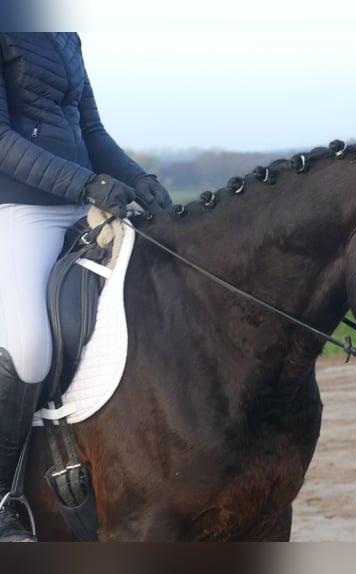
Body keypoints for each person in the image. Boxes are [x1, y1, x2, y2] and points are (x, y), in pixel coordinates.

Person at [0, 32, 172, 542]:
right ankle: (3, 500)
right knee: (29, 348)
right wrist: (85, 183)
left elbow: (90, 129)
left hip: (80, 208)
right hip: (19, 212)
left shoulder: (64, 35)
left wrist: (136, 178)